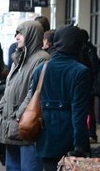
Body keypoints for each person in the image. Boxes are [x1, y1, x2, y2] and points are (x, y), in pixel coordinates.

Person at [32, 25, 91, 170]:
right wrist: (80, 145)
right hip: (68, 136)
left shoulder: (41, 69)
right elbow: (79, 111)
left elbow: (34, 103)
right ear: (78, 44)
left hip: (44, 134)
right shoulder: (81, 72)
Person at [0, 20, 48, 171]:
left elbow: (34, 93)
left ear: (31, 36)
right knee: (12, 167)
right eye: (16, 34)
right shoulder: (18, 59)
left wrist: (18, 116)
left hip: (25, 126)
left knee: (28, 167)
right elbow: (10, 87)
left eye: (21, 34)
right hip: (11, 125)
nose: (17, 37)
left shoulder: (41, 59)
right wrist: (2, 107)